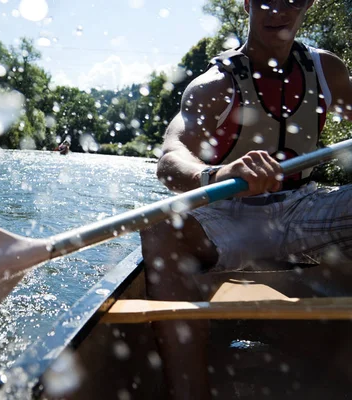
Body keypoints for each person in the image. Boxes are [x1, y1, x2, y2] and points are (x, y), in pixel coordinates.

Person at [140, 0, 352, 398]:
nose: (279, 9)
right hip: (229, 216)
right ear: (247, 4)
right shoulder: (215, 85)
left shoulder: (328, 72)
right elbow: (170, 159)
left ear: (308, 4)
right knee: (161, 232)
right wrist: (219, 174)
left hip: (302, 208)